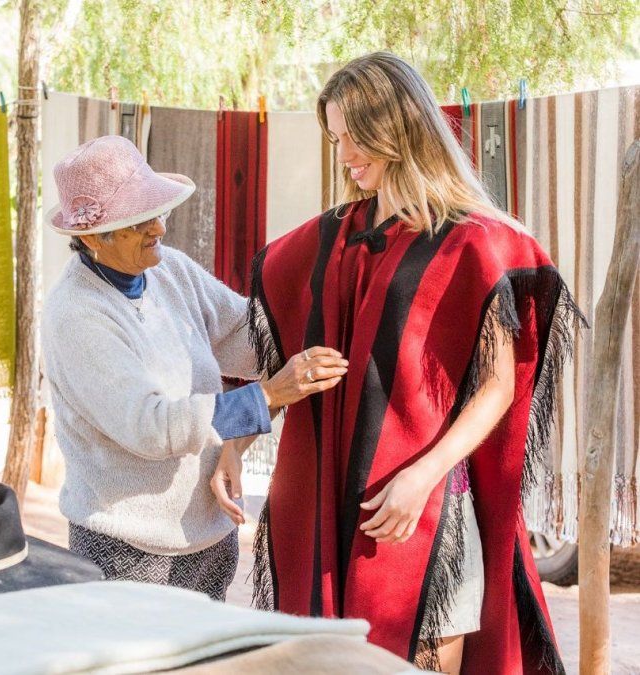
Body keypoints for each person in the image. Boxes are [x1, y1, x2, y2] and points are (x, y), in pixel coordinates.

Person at [240, 52, 580, 673]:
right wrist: (240, 431)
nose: (343, 154)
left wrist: (421, 478)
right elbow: (249, 313)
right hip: (335, 502)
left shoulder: (471, 240)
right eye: (336, 138)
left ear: (397, 127)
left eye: (354, 137)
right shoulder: (334, 239)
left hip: (426, 505)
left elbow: (498, 388)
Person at [40, 135, 347, 601]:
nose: (159, 229)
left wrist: (325, 311)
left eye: (158, 212)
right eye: (139, 220)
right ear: (90, 239)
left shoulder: (169, 271)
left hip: (205, 534)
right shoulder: (78, 316)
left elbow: (246, 336)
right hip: (128, 549)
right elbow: (151, 427)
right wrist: (269, 395)